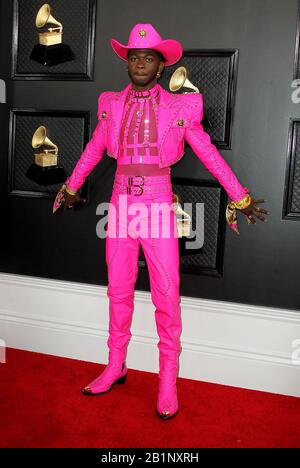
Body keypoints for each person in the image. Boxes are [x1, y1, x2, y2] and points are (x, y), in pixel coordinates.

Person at [56, 23, 268, 420]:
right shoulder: (112, 104)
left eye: (147, 58)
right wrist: (70, 185)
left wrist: (238, 194)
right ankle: (115, 364)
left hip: (156, 206)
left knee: (166, 295)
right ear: (128, 63)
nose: (140, 63)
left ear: (160, 65)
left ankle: (167, 380)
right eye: (134, 57)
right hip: (119, 205)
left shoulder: (180, 107)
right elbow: (93, 149)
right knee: (117, 290)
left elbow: (207, 152)